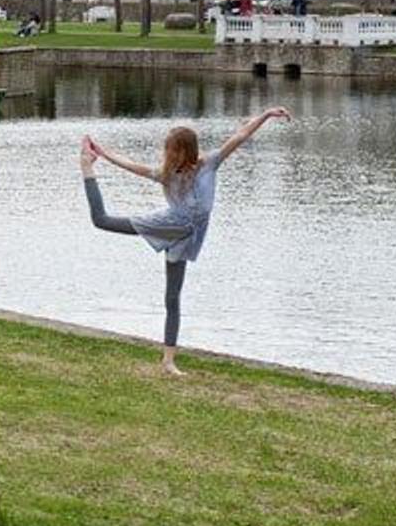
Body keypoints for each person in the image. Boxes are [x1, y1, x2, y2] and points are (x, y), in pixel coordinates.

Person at [78, 106, 291, 375]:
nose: (169, 156)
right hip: (167, 225)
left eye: (174, 151)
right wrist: (102, 153)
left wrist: (267, 114)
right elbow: (132, 166)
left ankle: (168, 361)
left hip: (186, 238)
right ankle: (86, 166)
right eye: (167, 151)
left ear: (187, 151)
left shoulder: (209, 164)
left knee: (172, 298)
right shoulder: (166, 174)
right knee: (102, 220)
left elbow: (240, 136)